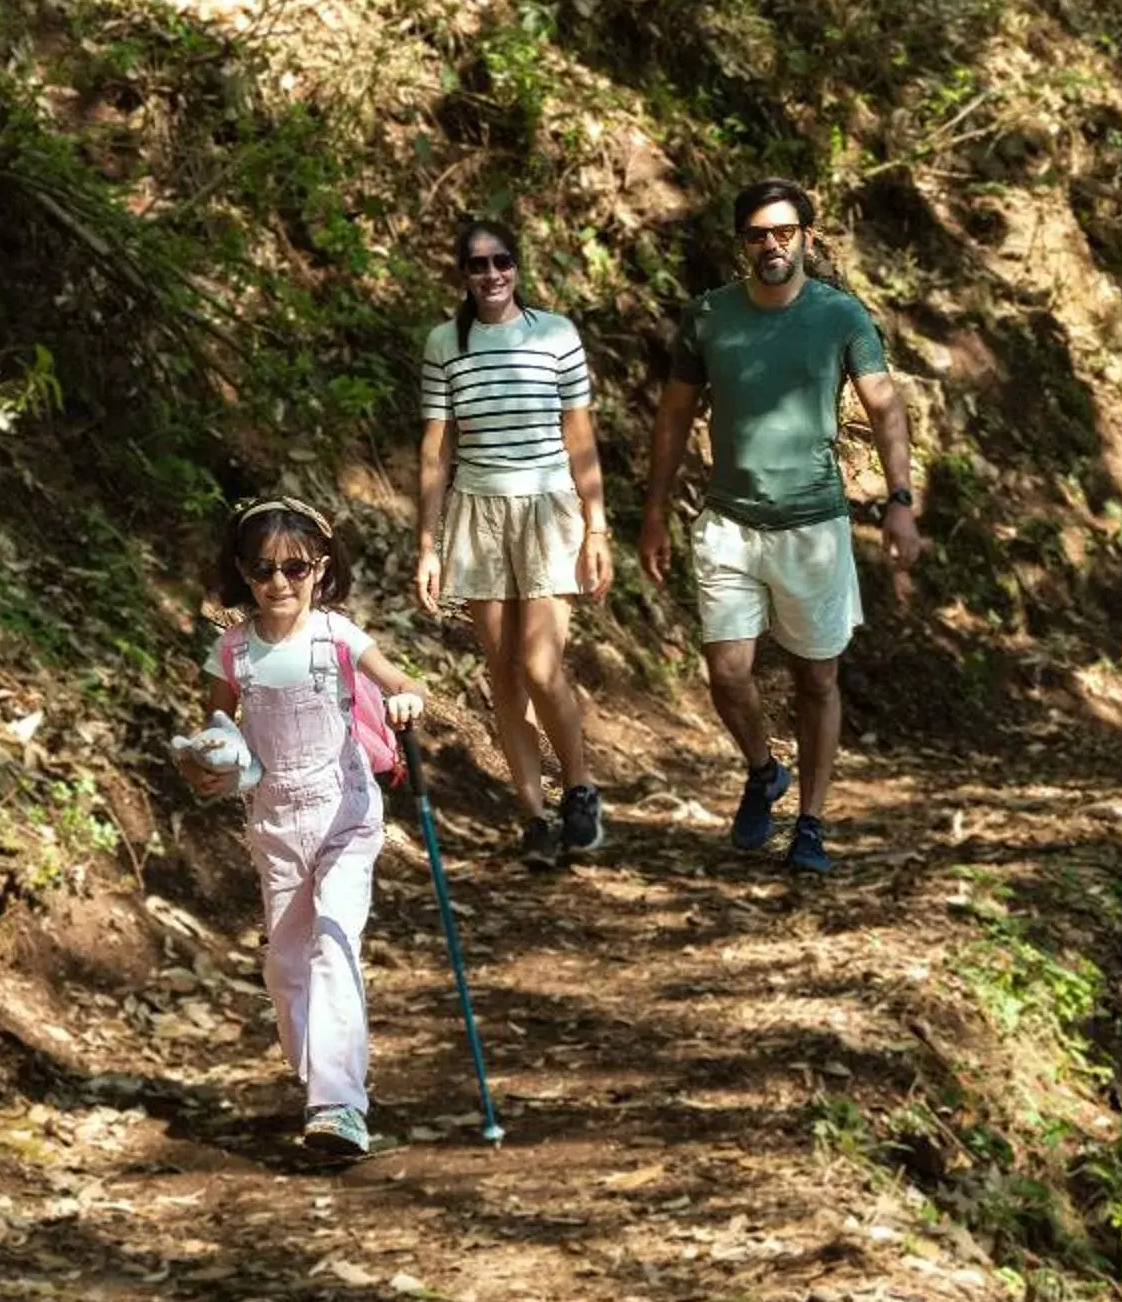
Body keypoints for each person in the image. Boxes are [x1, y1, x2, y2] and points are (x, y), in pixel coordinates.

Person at [638, 179, 921, 875]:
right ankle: (765, 770)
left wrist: (901, 498)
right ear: (743, 243)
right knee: (727, 672)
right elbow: (674, 417)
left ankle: (812, 824)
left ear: (807, 237)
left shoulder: (841, 316)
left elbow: (885, 408)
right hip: (730, 520)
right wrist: (653, 512)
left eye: (785, 232)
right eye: (759, 234)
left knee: (816, 679)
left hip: (813, 525)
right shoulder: (708, 318)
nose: (773, 245)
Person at [179, 495, 428, 1159]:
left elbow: (398, 677)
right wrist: (211, 761)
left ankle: (339, 1104)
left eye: (296, 568)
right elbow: (219, 727)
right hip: (275, 824)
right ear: (242, 572)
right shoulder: (232, 652)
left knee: (331, 940)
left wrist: (404, 696)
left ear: (321, 569)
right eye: (263, 571)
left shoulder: (338, 636)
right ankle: (318, 1074)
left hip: (345, 811)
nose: (280, 583)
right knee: (285, 963)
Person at [411, 217, 612, 870]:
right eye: (477, 265)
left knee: (539, 662)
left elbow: (580, 436)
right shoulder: (446, 343)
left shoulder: (555, 334)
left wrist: (597, 526)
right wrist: (428, 543)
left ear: (518, 267)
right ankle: (533, 814)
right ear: (462, 276)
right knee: (501, 671)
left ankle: (579, 787)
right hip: (477, 511)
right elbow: (436, 447)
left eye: (502, 261)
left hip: (549, 508)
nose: (491, 274)